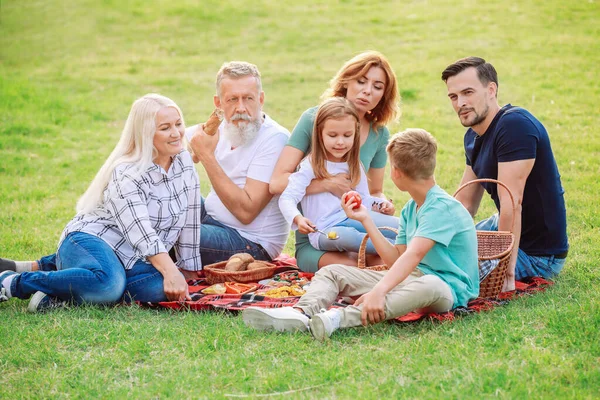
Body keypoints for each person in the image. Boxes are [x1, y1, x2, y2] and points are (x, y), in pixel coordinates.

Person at [243, 129, 479, 340]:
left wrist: (378, 291)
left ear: (395, 173)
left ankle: (338, 319)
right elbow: (396, 259)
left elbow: (414, 255)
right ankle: (301, 312)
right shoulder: (411, 208)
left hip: (448, 289)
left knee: (430, 285)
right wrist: (366, 219)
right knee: (332, 272)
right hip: (413, 276)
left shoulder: (442, 207)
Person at [0, 94, 202, 312]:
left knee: (159, 288)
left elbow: (190, 219)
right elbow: (142, 233)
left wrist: (188, 270)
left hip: (132, 255)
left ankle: (64, 288)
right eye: (165, 128)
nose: (176, 133)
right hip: (92, 239)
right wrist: (171, 271)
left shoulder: (183, 162)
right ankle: (12, 282)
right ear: (146, 134)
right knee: (109, 284)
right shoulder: (127, 174)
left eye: (178, 124)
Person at [442, 56, 569, 291]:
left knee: (448, 277)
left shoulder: (514, 126)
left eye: (468, 92)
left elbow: (513, 202)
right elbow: (465, 202)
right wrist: (434, 236)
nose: (460, 102)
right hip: (499, 226)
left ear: (491, 90)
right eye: (453, 96)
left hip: (537, 254)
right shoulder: (472, 134)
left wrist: (506, 273)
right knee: (432, 252)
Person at [270, 50, 400, 272]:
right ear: (346, 81)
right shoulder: (314, 119)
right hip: (318, 236)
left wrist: (381, 205)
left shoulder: (380, 134)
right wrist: (328, 184)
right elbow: (277, 183)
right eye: (361, 81)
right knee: (351, 268)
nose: (367, 91)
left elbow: (374, 191)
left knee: (383, 261)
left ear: (383, 95)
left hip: (356, 223)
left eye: (377, 87)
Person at [186, 61, 290, 267]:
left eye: (248, 98)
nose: (241, 108)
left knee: (172, 232)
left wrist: (206, 156)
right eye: (232, 99)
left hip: (249, 242)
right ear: (218, 103)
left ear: (260, 99)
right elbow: (181, 147)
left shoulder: (275, 139)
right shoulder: (221, 126)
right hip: (213, 219)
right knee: (161, 205)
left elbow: (246, 212)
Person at [279, 97, 399, 255]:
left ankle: (411, 248)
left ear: (355, 134)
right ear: (320, 134)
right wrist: (298, 218)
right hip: (324, 230)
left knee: (398, 226)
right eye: (333, 135)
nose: (340, 142)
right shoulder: (311, 165)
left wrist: (380, 204)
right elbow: (287, 198)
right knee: (349, 238)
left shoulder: (354, 165)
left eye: (347, 135)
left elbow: (364, 200)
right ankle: (400, 251)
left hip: (352, 218)